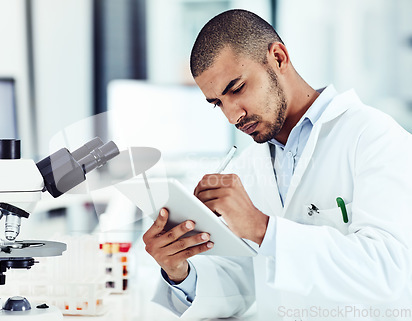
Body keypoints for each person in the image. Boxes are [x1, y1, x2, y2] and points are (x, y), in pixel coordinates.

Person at [142, 9, 412, 321]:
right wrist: (179, 270)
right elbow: (243, 282)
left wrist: (263, 228)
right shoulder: (250, 166)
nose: (232, 116)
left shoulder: (375, 137)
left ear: (279, 58)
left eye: (237, 88)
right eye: (218, 103)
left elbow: (391, 271)